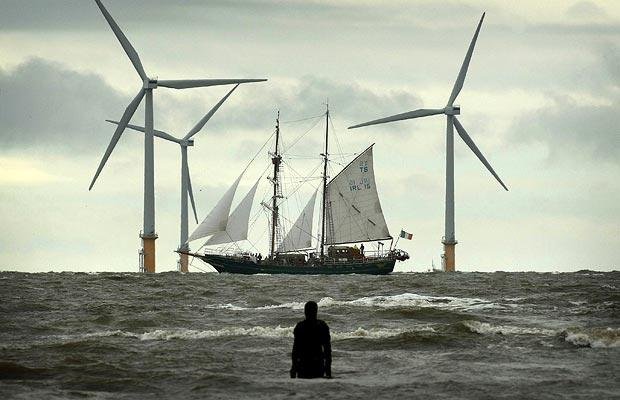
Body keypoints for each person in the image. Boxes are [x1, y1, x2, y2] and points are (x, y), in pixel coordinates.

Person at [290, 301, 332, 379]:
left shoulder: (300, 327)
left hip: (303, 365)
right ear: (316, 311)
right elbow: (327, 350)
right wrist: (328, 369)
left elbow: (295, 350)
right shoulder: (322, 326)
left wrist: (293, 369)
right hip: (318, 364)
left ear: (305, 312)